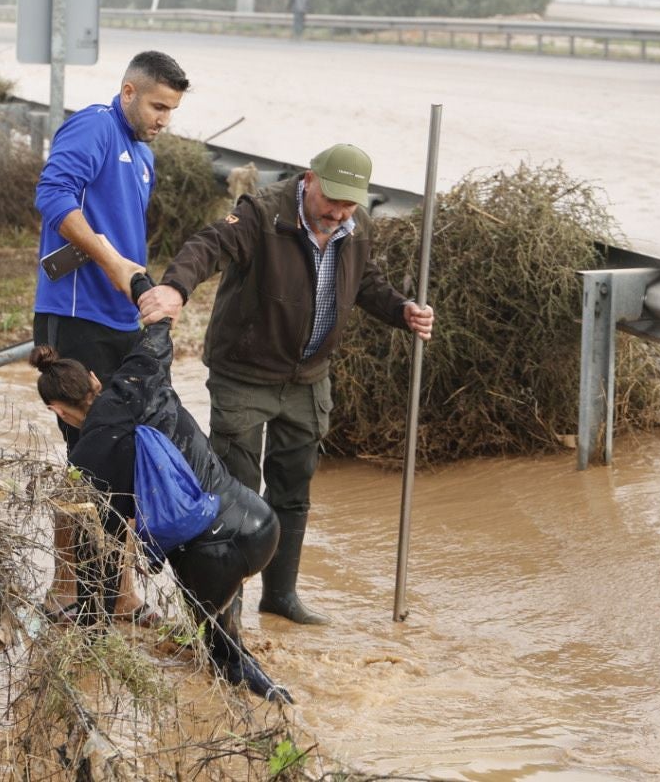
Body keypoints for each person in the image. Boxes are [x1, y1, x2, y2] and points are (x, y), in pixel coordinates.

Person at [137, 144, 436, 625]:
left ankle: (280, 597)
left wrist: (403, 311)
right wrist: (175, 287)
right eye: (331, 200)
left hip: (308, 380)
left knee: (293, 491)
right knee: (232, 493)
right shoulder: (261, 213)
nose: (337, 213)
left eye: (348, 204)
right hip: (245, 375)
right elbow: (208, 245)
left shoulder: (355, 228)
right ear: (308, 179)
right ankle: (222, 611)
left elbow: (366, 284)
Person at [33, 316, 291, 703]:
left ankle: (281, 710)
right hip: (260, 524)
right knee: (221, 639)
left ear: (57, 410)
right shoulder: (140, 374)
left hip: (209, 561)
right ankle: (272, 691)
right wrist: (145, 290)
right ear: (94, 378)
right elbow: (157, 330)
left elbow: (104, 553)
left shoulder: (88, 460)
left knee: (226, 662)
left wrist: (90, 634)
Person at [34, 49, 190, 621]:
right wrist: (109, 261)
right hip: (76, 318)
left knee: (120, 459)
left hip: (122, 322)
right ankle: (66, 589)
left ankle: (121, 595)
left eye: (171, 110)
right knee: (84, 458)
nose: (163, 120)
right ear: (128, 91)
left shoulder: (143, 154)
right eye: (156, 105)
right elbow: (52, 197)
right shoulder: (94, 126)